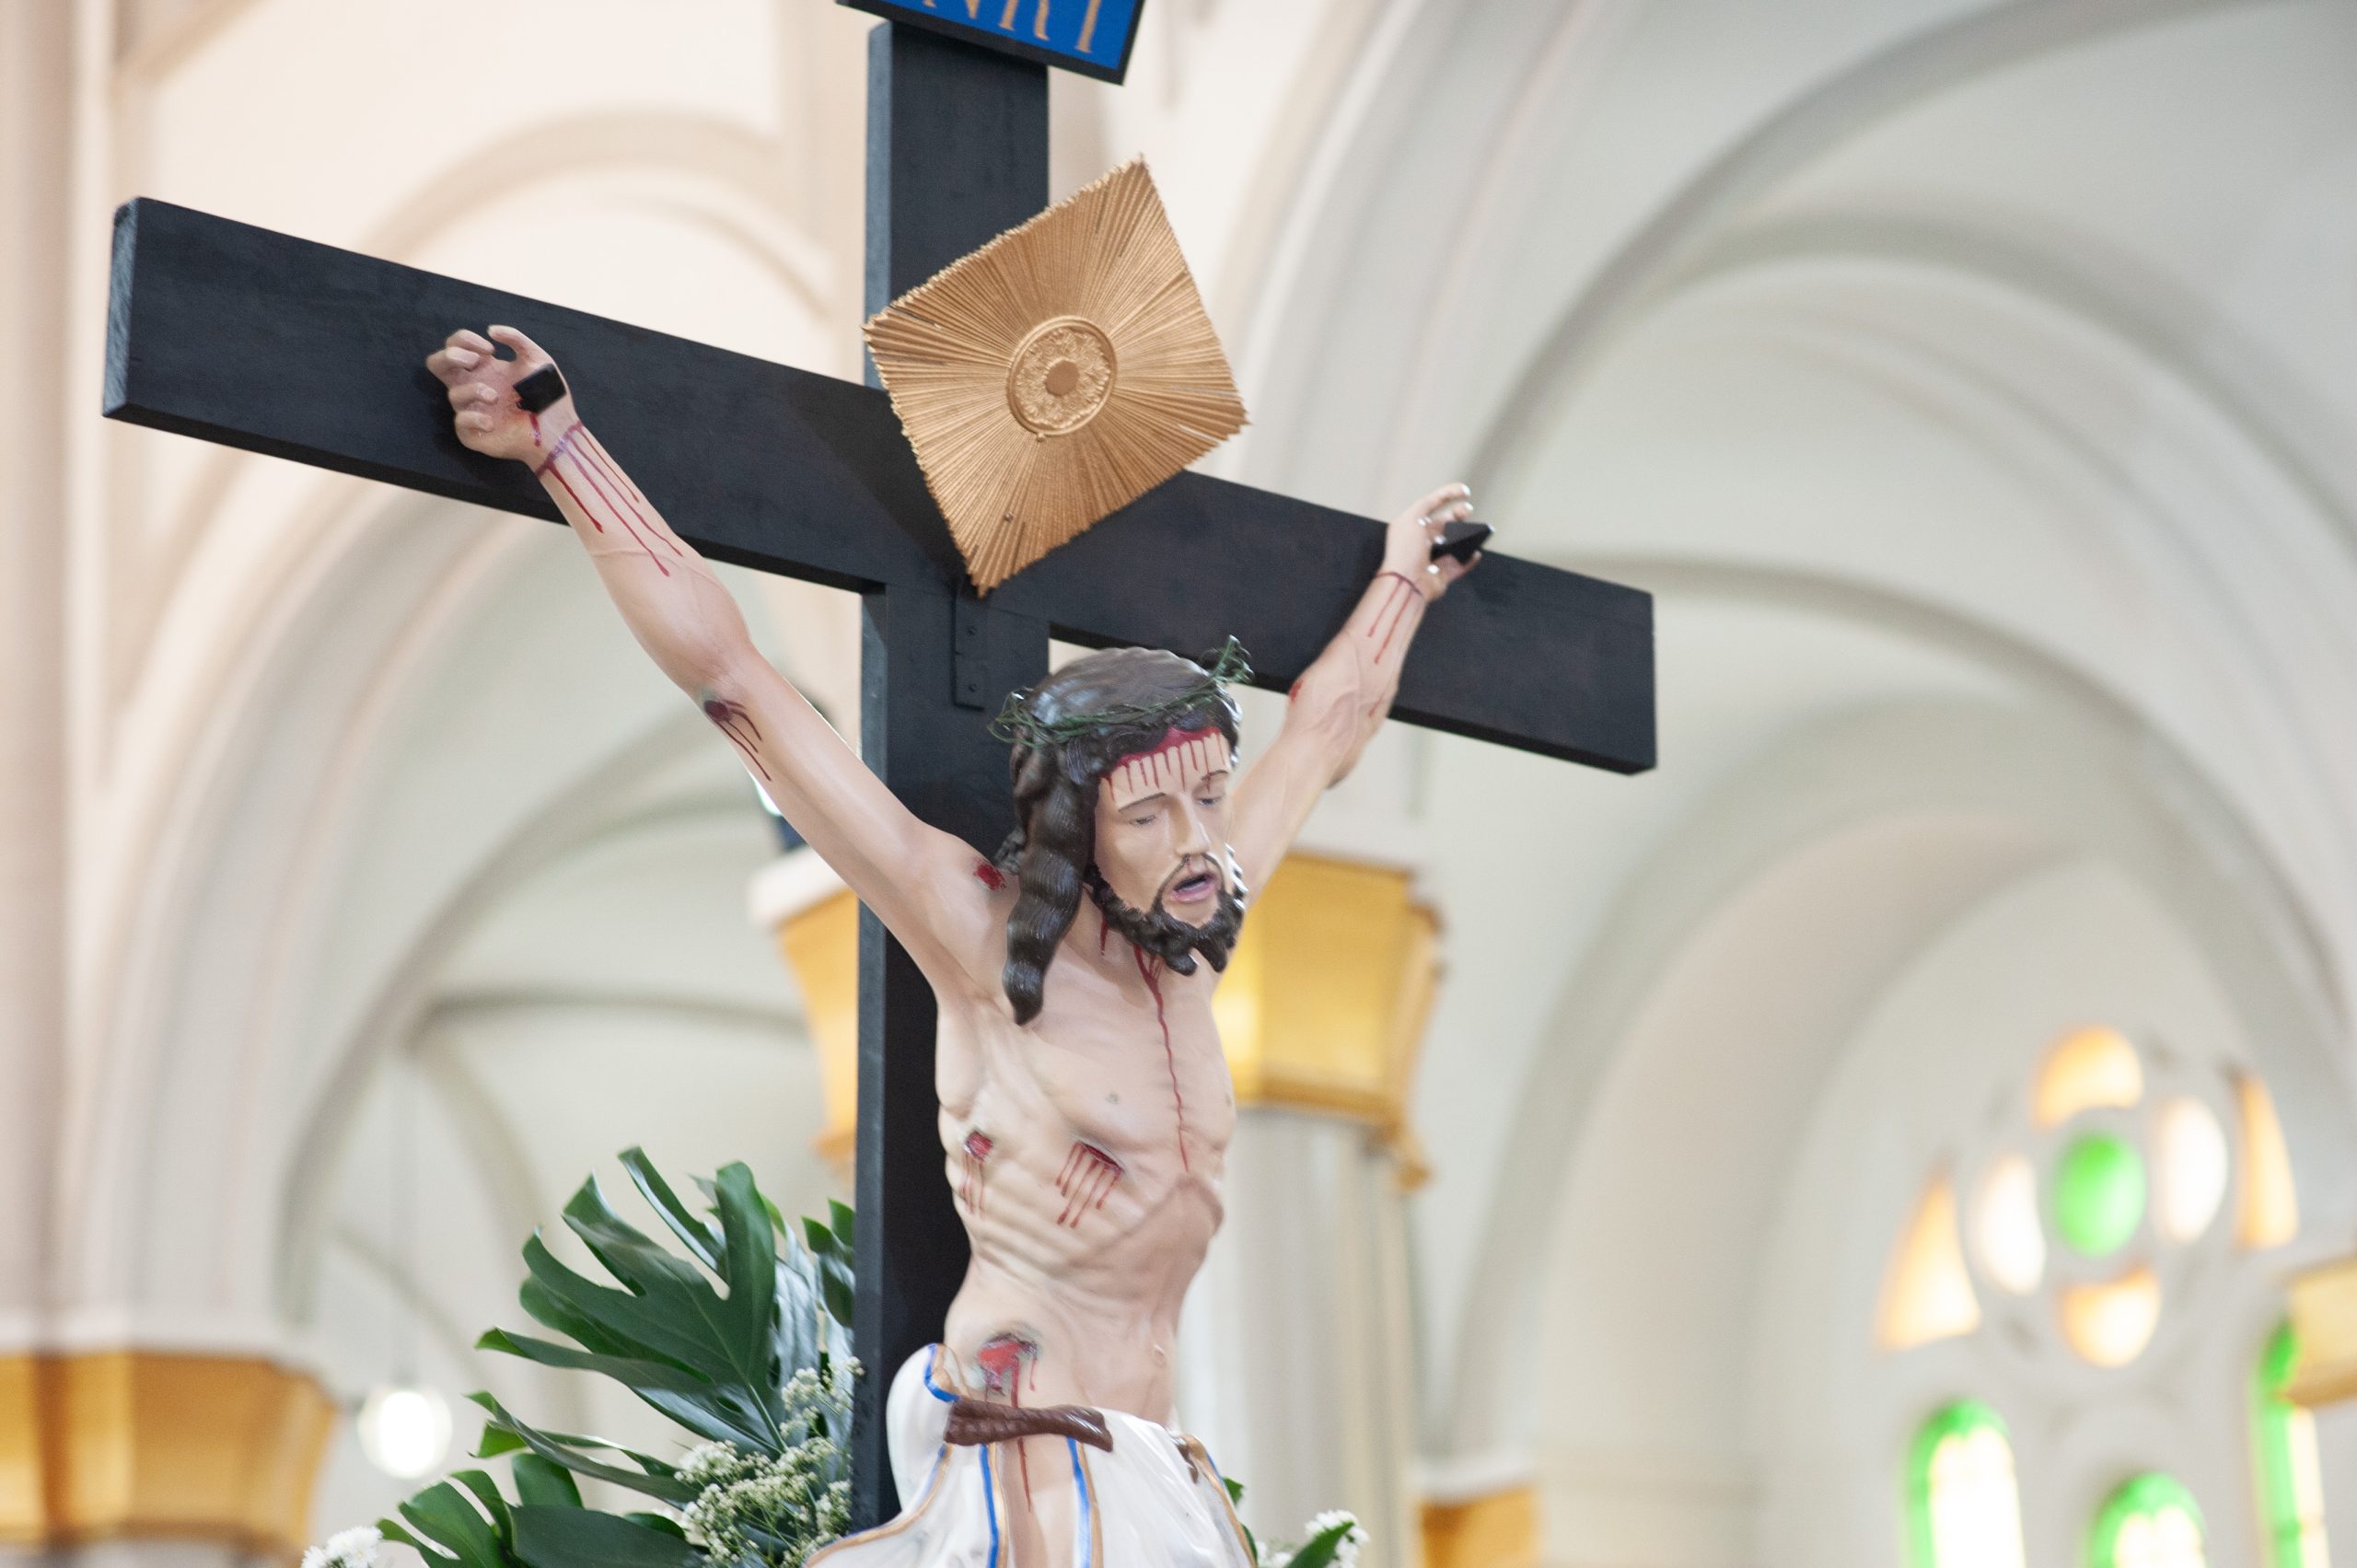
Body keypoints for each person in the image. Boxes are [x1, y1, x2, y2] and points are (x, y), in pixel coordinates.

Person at [426, 325, 1480, 1568]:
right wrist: (561, 450)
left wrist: (1405, 583)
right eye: (1151, 813)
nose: (1201, 835)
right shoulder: (979, 937)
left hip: (1149, 1456)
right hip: (1030, 1453)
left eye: (1209, 795)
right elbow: (738, 684)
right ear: (1078, 829)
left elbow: (1322, 733)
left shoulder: (1196, 923)